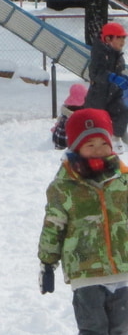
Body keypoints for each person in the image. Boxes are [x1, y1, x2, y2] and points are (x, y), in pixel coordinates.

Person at [38, 108, 128, 334]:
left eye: (103, 143)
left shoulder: (123, 179)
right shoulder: (64, 186)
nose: (98, 150)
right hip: (86, 273)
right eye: (90, 145)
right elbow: (53, 226)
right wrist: (47, 263)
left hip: (125, 271)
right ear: (76, 147)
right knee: (93, 328)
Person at [85, 22, 128, 153]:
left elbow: (119, 71)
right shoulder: (99, 53)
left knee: (122, 111)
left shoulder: (117, 55)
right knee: (96, 120)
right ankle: (92, 144)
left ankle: (116, 138)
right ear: (108, 39)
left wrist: (123, 79)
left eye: (124, 38)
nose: (123, 42)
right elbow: (95, 73)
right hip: (99, 95)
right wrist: (113, 78)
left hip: (114, 94)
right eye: (119, 38)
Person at [52, 83, 88, 150]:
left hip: (57, 140)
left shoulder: (66, 110)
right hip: (68, 143)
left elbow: (59, 121)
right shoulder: (79, 115)